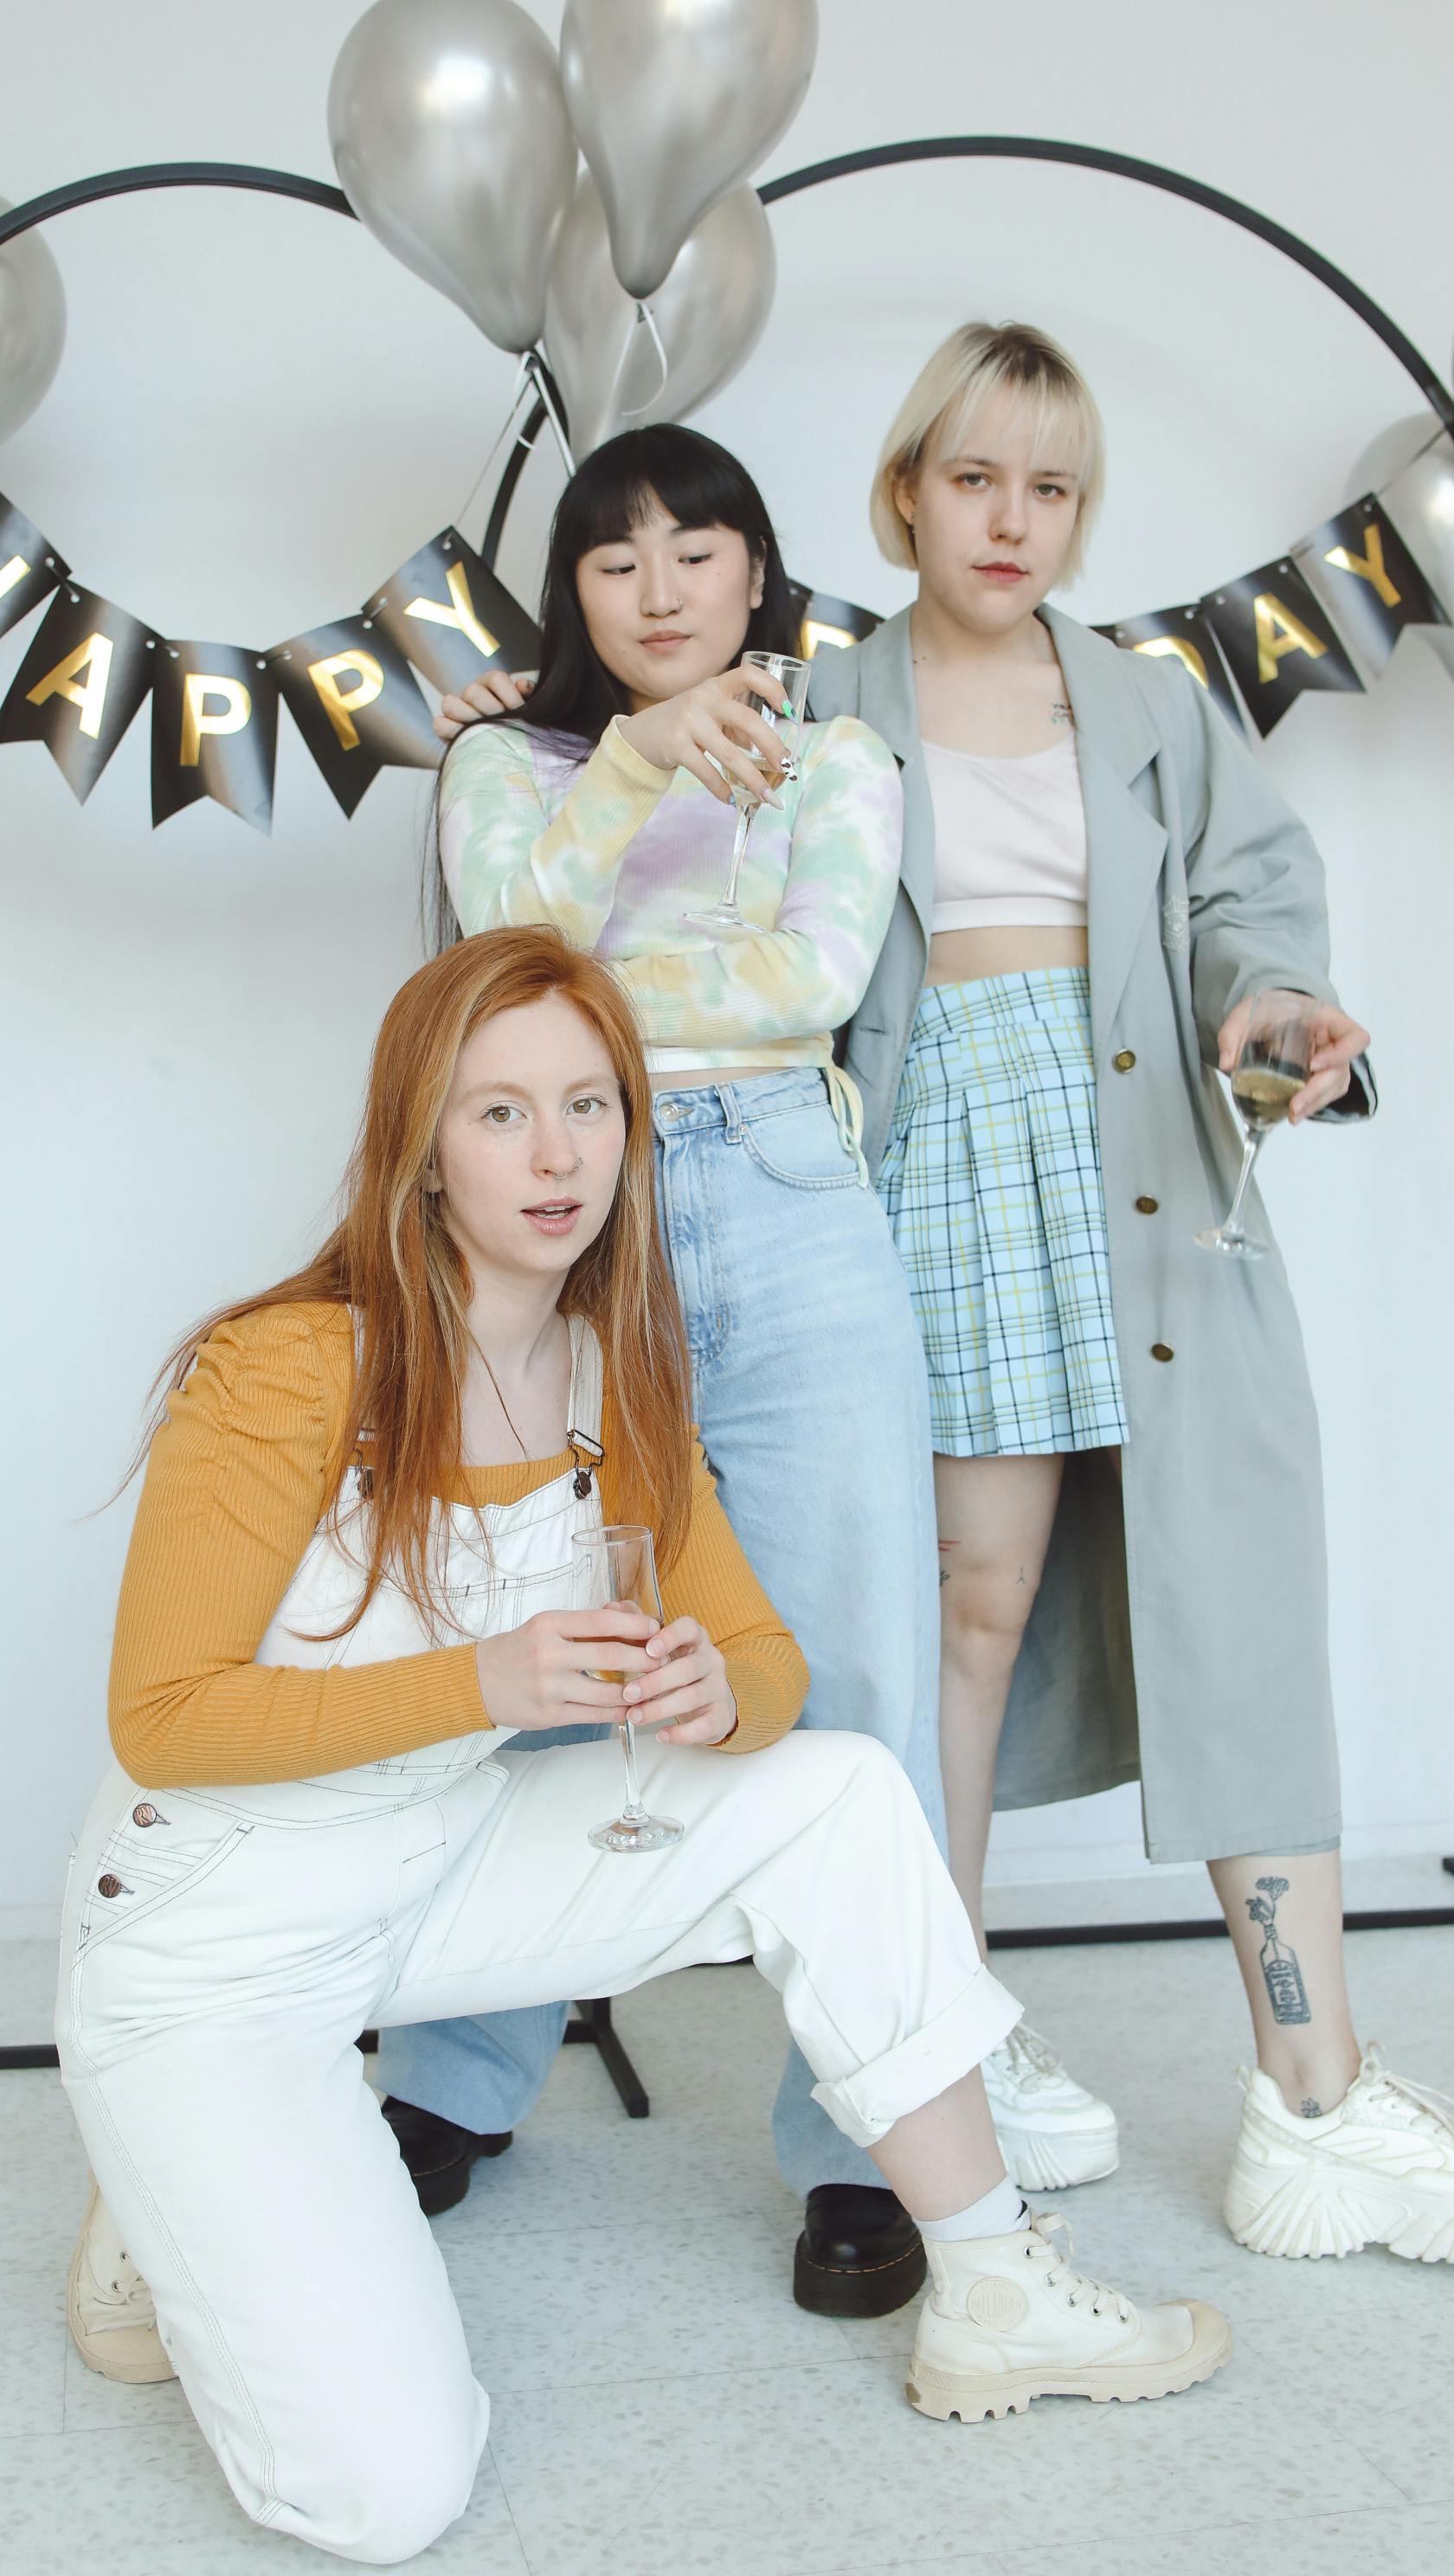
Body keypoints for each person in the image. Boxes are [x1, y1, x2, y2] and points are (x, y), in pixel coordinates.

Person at [434, 325, 1454, 2259]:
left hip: (1143, 1157)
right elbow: (615, 804)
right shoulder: (804, 700)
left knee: (1223, 1579)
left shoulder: (1147, 704)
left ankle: (1307, 2091)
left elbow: (1240, 905)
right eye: (973, 478)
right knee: (943, 1612)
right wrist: (554, 715)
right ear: (900, 494)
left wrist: (1267, 1002)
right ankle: (935, 2061)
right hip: (913, 1168)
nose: (1010, 520)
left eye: (1051, 487)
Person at [56, 927, 1230, 2565]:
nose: (558, 1158)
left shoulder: (618, 1370)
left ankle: (992, 2279)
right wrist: (490, 1683)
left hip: (430, 1881)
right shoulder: (287, 1367)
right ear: (418, 1141)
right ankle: (166, 2181)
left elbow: (761, 1657)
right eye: (500, 1114)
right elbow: (160, 1720)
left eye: (591, 1105)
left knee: (837, 1790)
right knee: (388, 2498)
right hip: (215, 1944)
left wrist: (710, 1691)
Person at [378, 423, 942, 2319]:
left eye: (697, 552)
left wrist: (599, 963)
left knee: (850, 1665)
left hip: (784, 1198)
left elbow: (808, 983)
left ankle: (865, 2139)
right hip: (567, 1217)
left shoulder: (840, 758)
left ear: (757, 568)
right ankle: (462, 2075)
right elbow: (504, 956)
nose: (661, 592)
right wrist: (620, 770)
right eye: (615, 564)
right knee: (543, 1644)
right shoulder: (498, 761)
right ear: (573, 596)